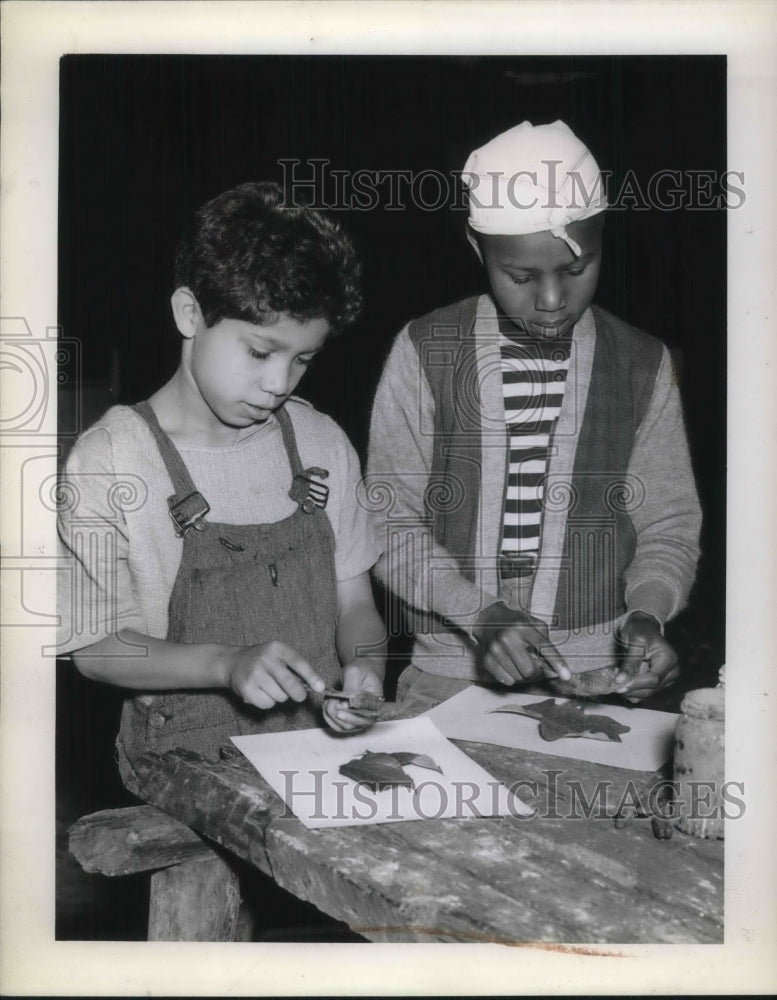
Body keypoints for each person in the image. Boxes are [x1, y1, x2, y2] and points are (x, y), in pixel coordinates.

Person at [57, 181, 385, 799]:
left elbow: (355, 605)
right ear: (189, 314)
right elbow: (97, 649)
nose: (278, 382)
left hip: (322, 751)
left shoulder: (319, 443)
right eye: (261, 352)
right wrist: (226, 664)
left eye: (303, 360)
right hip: (184, 759)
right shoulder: (113, 461)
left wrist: (366, 666)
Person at [367, 120, 702, 714]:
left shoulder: (641, 365)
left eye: (577, 270)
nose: (552, 301)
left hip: (599, 677)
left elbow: (668, 522)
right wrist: (479, 613)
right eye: (520, 277)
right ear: (478, 249)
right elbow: (390, 521)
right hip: (449, 676)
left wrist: (647, 614)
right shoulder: (427, 350)